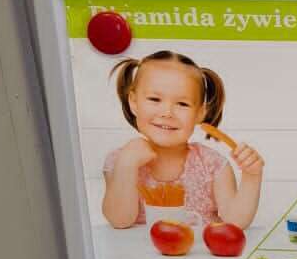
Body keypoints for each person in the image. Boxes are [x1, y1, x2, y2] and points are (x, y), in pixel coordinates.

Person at [102, 49, 264, 230]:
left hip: (196, 249)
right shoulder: (118, 161)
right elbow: (119, 220)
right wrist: (127, 164)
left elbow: (235, 222)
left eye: (182, 104)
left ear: (200, 113)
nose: (167, 113)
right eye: (154, 99)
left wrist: (252, 176)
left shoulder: (212, 165)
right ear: (133, 102)